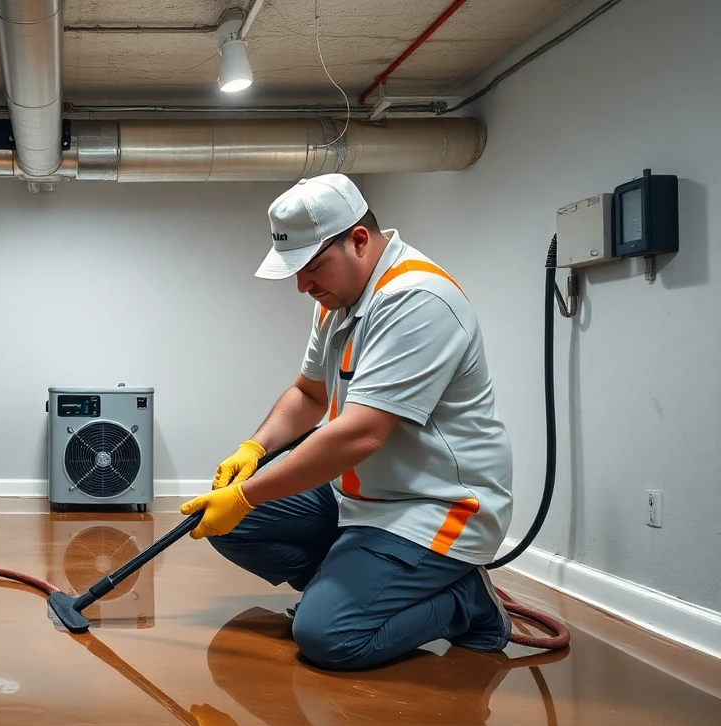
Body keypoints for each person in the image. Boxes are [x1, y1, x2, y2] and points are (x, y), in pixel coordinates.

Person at [179, 173, 515, 671]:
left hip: (433, 506)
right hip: (356, 493)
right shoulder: (336, 302)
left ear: (359, 240)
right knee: (226, 525)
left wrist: (249, 494)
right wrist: (253, 451)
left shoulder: (417, 300)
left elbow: (362, 432)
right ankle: (351, 582)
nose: (302, 286)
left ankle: (466, 600)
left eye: (312, 267)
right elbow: (307, 394)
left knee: (328, 638)